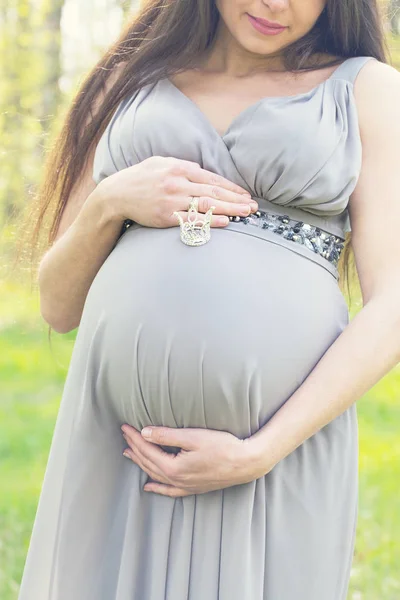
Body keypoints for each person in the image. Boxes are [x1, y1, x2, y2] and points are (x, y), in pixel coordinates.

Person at [17, 0, 400, 599]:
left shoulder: (367, 90)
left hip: (272, 458)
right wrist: (109, 202)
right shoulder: (131, 79)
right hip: (121, 449)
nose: (277, 4)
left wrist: (261, 451)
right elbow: (56, 305)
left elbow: (393, 306)